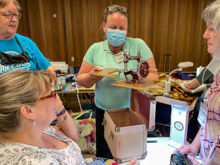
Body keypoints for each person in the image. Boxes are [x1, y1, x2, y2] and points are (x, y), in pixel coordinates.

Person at [0, 70, 140, 165]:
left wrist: (59, 109)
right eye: (51, 94)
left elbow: (73, 137)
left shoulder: (35, 130)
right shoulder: (35, 160)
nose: (57, 99)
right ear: (29, 111)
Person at [77, 5, 159, 159]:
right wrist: (92, 77)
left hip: (133, 113)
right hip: (104, 112)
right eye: (113, 27)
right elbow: (80, 79)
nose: (118, 31)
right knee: (105, 153)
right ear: (104, 27)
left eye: (122, 28)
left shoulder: (138, 45)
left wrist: (138, 77)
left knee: (131, 154)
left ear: (127, 29)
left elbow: (154, 76)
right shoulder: (95, 49)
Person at [176, 0, 220, 164]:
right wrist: (195, 147)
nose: (205, 34)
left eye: (212, 29)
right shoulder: (218, 72)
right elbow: (209, 119)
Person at [0, 0, 56, 85]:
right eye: (8, 15)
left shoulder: (27, 42)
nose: (14, 20)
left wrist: (51, 73)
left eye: (16, 15)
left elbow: (47, 67)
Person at [184, 66, 214, 142]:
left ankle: (192, 137)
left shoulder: (214, 65)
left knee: (198, 118)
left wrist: (185, 84)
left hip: (210, 101)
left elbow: (192, 85)